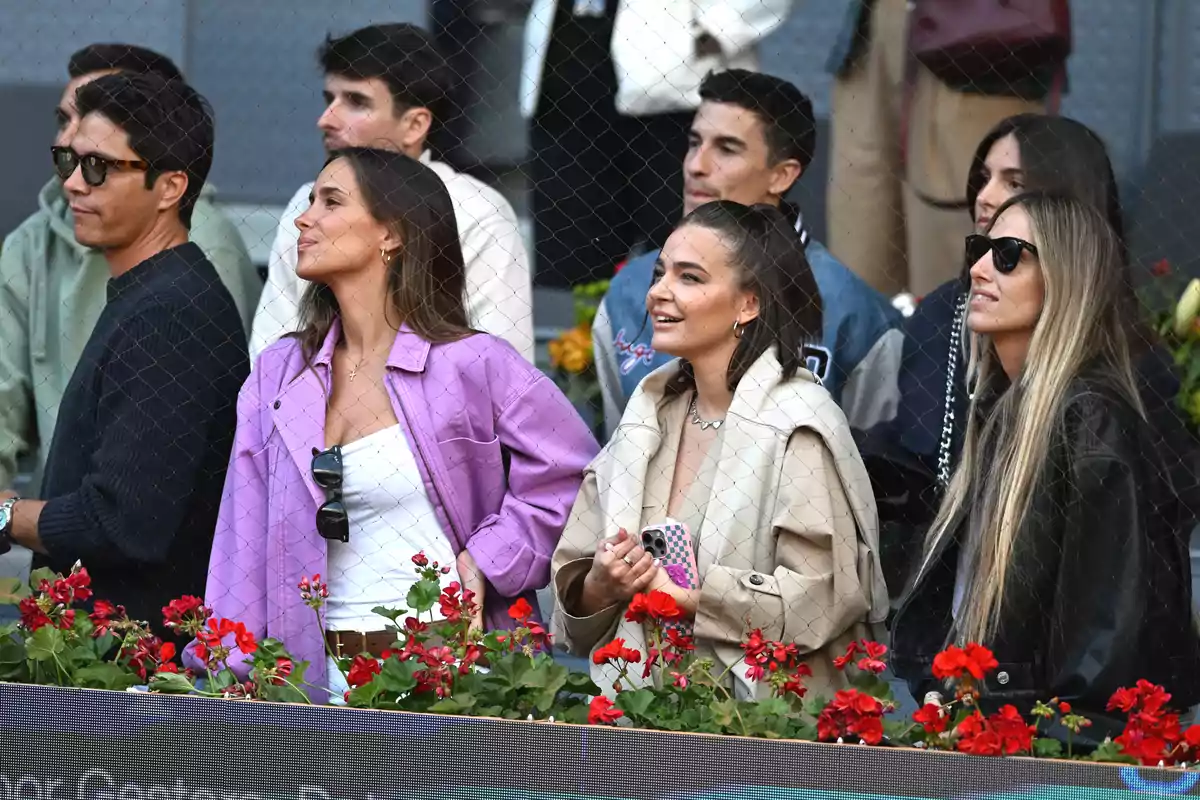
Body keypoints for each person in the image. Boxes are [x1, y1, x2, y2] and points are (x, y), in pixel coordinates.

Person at [192, 148, 598, 697]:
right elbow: (241, 538)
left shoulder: (473, 363)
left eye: (330, 201)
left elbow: (573, 472)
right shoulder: (277, 375)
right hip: (312, 686)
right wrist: (225, 673)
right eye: (309, 200)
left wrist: (488, 558)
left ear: (392, 234)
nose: (303, 218)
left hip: (455, 681)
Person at [889, 191, 1200, 740]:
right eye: (980, 249)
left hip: (1052, 747)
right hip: (996, 727)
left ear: (1064, 278)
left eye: (1008, 254)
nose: (980, 268)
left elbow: (1102, 644)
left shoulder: (1089, 419)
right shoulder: (1003, 407)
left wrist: (1049, 739)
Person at [552, 201, 889, 700]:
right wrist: (602, 584)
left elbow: (821, 599)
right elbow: (572, 599)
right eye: (660, 272)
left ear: (747, 303)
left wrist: (689, 598)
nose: (658, 293)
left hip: (760, 738)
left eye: (689, 278)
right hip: (637, 723)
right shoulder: (647, 413)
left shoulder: (796, 424)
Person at [857, 114, 1196, 590]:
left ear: (1066, 196)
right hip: (936, 595)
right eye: (983, 178)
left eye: (1013, 180)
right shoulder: (942, 314)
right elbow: (919, 454)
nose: (985, 196)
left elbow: (1151, 534)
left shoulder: (1131, 366)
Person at [0, 73, 249, 637]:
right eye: (67, 160)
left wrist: (6, 514)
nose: (72, 185)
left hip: (136, 672)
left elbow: (119, 523)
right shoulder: (151, 293)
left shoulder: (171, 313)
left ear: (169, 188)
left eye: (100, 168)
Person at [0, 43, 259, 494]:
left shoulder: (193, 264)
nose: (69, 141)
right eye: (65, 120)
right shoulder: (31, 240)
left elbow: (137, 506)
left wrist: (14, 519)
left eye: (100, 148)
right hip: (60, 524)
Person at [593, 69, 901, 438]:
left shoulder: (854, 311)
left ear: (782, 176)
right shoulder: (630, 290)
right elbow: (615, 448)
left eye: (726, 149)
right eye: (694, 143)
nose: (696, 165)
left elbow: (871, 470)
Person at [250, 23, 534, 363]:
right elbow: (270, 358)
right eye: (330, 99)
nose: (326, 119)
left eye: (356, 101)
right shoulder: (307, 202)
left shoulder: (476, 214)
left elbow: (502, 376)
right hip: (306, 410)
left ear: (414, 125)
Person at [521, 0, 791, 288]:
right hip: (564, 76)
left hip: (679, 91)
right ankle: (584, 332)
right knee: (574, 260)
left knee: (694, 254)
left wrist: (714, 30)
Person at [824, 0, 1060, 297]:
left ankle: (960, 340)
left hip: (978, 34)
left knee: (961, 250)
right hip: (879, 21)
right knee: (860, 250)